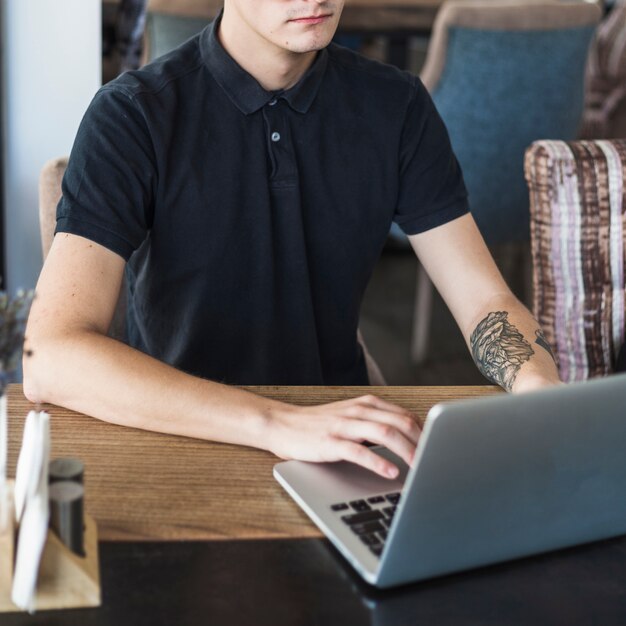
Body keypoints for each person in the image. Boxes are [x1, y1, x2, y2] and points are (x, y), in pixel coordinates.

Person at [23, 0, 561, 480]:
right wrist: (278, 424)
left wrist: (541, 393)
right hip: (179, 439)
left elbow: (486, 301)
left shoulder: (395, 106)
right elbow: (50, 354)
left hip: (342, 445)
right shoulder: (134, 114)